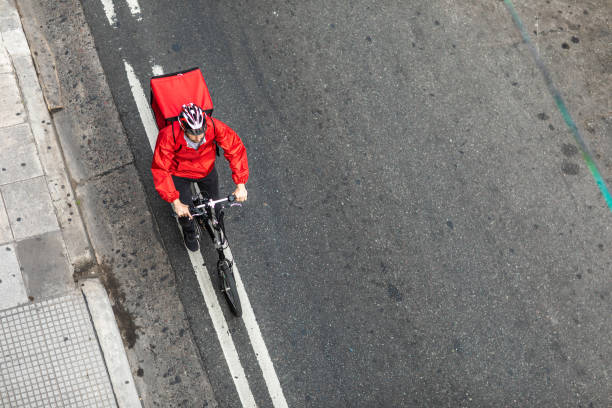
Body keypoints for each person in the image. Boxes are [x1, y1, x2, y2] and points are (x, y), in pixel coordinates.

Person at [151, 103, 248, 251]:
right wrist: (175, 201)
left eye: (201, 131)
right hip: (179, 173)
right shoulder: (168, 136)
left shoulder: (214, 126)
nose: (198, 137)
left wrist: (240, 184)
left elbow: (235, 149)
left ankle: (214, 222)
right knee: (186, 212)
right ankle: (190, 232)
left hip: (206, 170)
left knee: (216, 206)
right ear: (183, 128)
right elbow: (161, 169)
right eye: (193, 133)